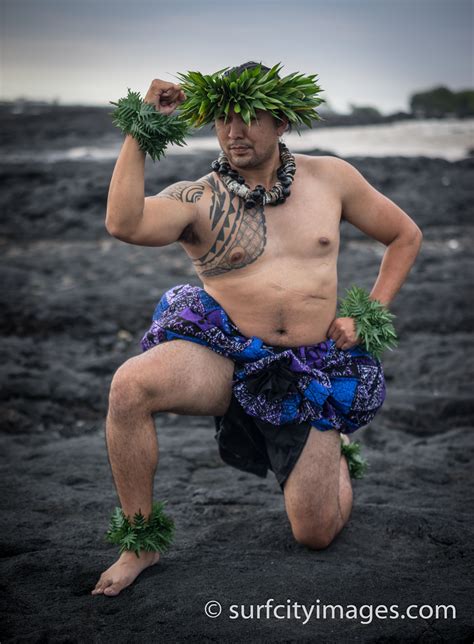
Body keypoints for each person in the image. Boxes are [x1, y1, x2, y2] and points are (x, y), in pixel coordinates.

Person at [91, 62, 423, 597]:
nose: (232, 132)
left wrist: (368, 315)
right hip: (225, 356)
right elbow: (123, 224)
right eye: (221, 120)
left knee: (315, 534)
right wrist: (141, 126)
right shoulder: (197, 199)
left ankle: (330, 447)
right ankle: (139, 542)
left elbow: (405, 235)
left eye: (247, 119)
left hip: (304, 370)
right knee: (130, 385)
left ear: (281, 122)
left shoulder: (331, 179)